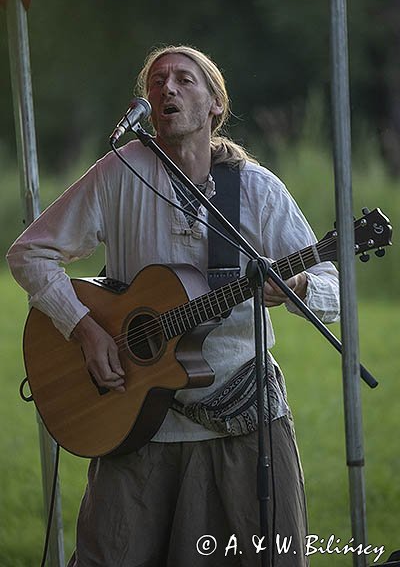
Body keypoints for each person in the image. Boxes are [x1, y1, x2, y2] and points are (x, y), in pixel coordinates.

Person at [7, 44, 340, 567]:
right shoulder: (119, 172)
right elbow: (30, 252)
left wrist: (298, 289)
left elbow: (331, 290)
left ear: (214, 105)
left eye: (185, 79)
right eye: (157, 80)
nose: (168, 88)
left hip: (243, 424)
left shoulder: (255, 190)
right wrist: (85, 330)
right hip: (135, 417)